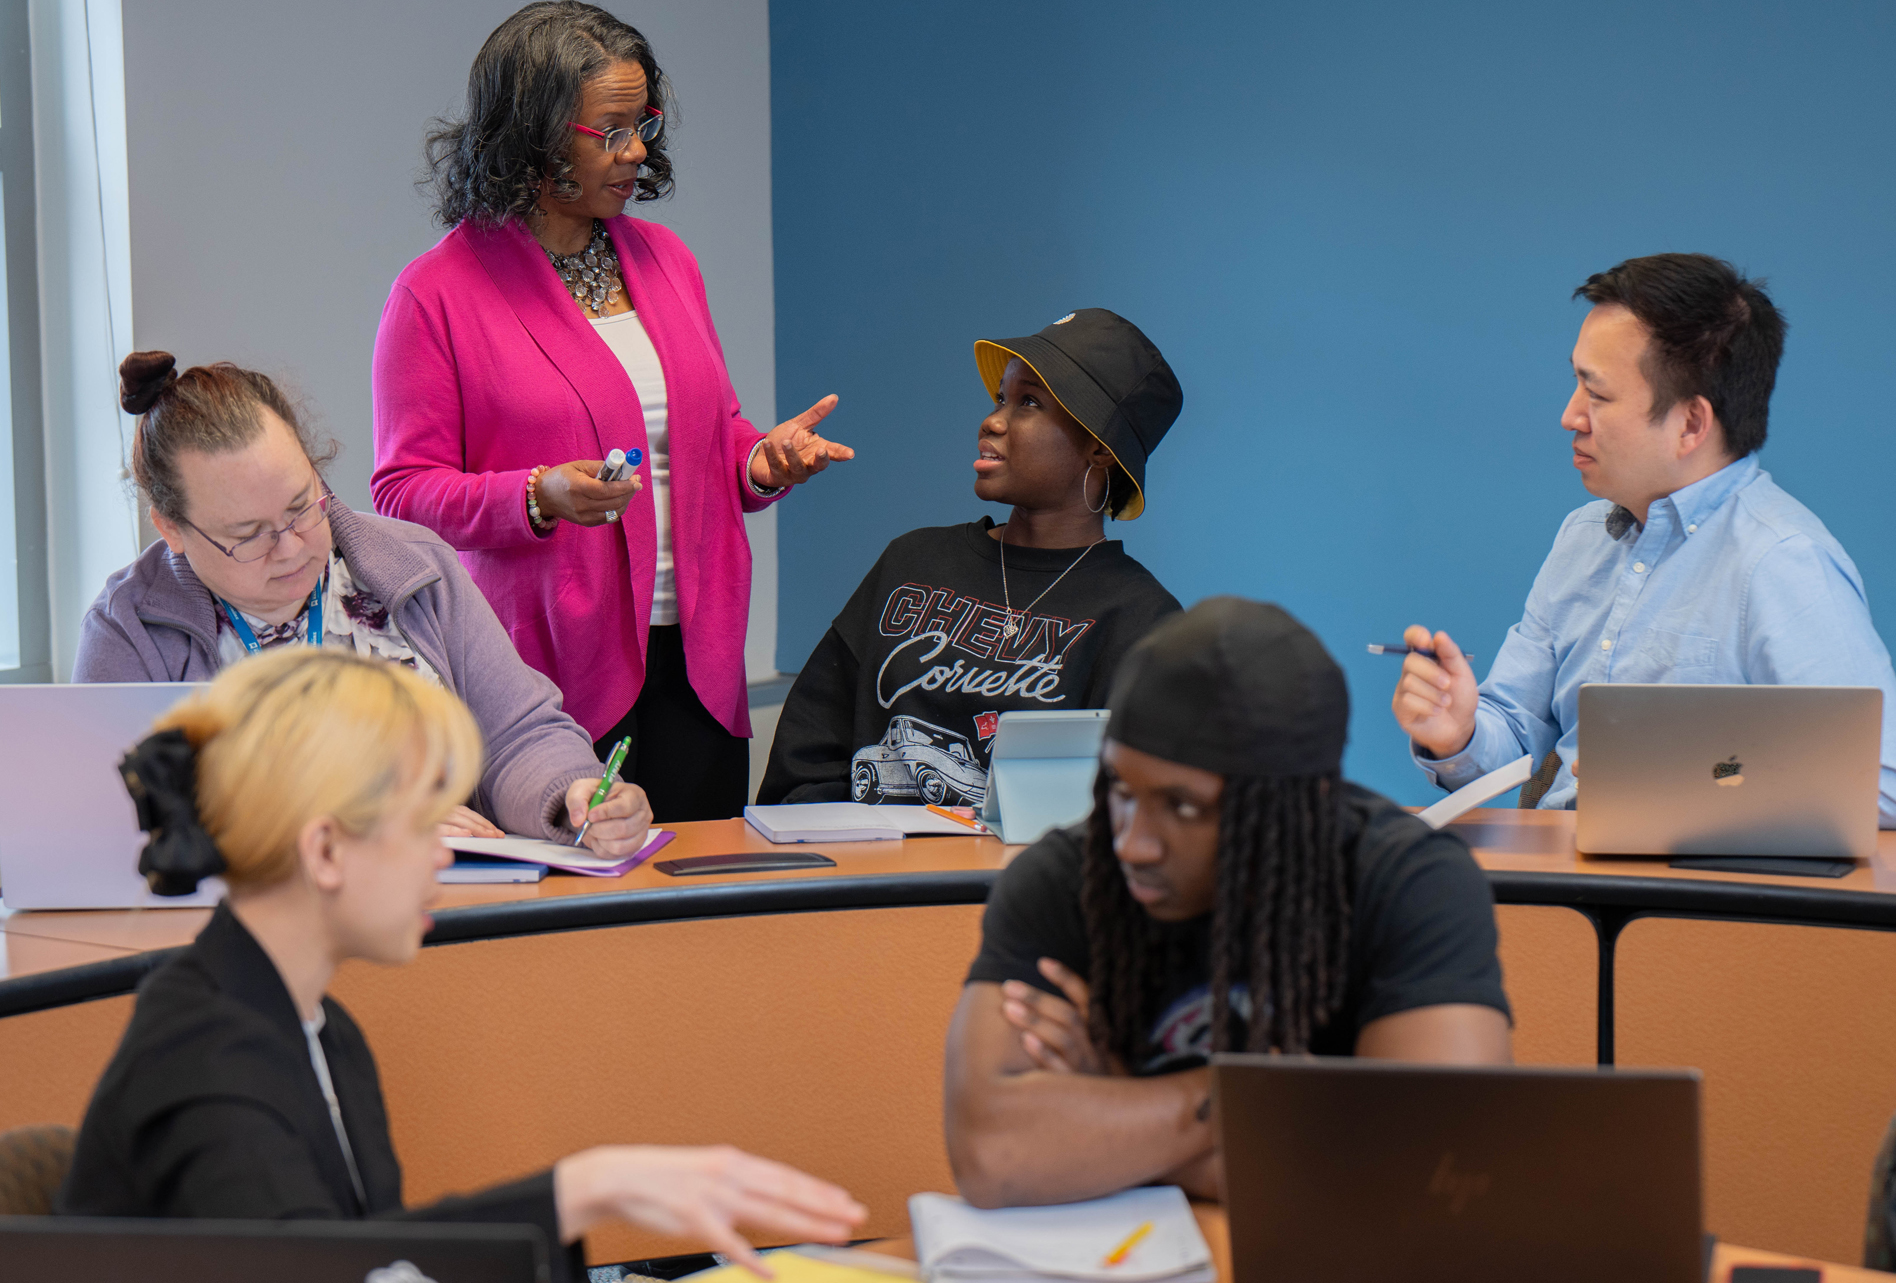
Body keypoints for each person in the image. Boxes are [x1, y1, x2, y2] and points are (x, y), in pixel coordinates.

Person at [61, 649, 865, 1277]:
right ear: (327, 849)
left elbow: (368, 1257)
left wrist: (582, 1189)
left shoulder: (313, 1023)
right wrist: (580, 1189)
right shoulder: (206, 1053)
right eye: (421, 822)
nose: (440, 856)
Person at [373, 0, 853, 822]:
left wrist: (757, 461)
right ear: (533, 134)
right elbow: (402, 492)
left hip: (697, 659)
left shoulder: (667, 261)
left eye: (644, 125)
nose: (636, 151)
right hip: (548, 676)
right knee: (581, 932)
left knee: (700, 917)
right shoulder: (437, 293)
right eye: (611, 130)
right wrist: (536, 496)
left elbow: (708, 432)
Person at [943, 598, 1511, 1209]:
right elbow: (991, 1156)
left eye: (1184, 806)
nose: (1132, 843)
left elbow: (1436, 1174)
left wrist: (1116, 1107)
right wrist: (1274, 1101)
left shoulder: (1408, 881)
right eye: (1120, 791)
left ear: (1296, 805)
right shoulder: (1067, 878)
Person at [75, 353, 650, 854]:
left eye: (302, 505)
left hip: (444, 913)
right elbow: (114, 822)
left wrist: (574, 795)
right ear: (172, 529)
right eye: (249, 534)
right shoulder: (130, 629)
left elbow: (517, 734)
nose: (292, 546)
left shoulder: (416, 565)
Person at [1391, 254, 1896, 823]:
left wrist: (1699, 775)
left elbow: (1879, 780)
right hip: (1561, 875)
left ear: (1690, 425)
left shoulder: (1782, 561)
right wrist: (1456, 732)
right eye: (1576, 382)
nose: (1569, 416)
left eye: (1597, 395)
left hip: (1684, 899)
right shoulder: (1582, 539)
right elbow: (1513, 730)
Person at [758, 310, 1183, 806]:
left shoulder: (1141, 620)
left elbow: (1120, 818)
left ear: (1099, 449)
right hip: (860, 874)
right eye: (1001, 397)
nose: (992, 420)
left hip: (1011, 884)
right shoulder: (912, 561)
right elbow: (803, 765)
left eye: (1029, 403)